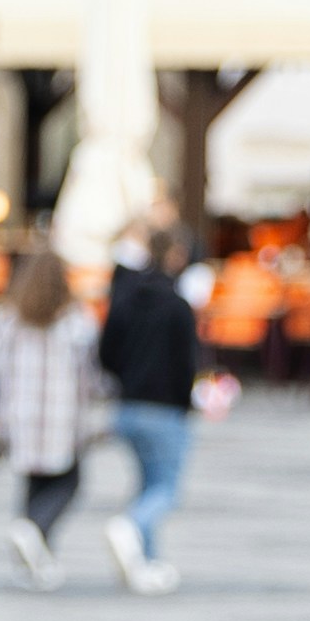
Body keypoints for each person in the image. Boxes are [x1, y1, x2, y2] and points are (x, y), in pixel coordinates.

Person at [0, 231, 98, 583]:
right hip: (60, 413)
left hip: (20, 412)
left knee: (34, 481)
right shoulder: (75, 321)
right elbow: (89, 372)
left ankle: (34, 556)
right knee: (69, 482)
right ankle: (33, 530)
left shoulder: (9, 319)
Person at [95, 222, 200, 596]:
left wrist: (126, 378)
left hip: (128, 406)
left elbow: (105, 352)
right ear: (175, 256)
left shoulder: (124, 298)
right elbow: (188, 363)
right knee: (166, 490)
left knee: (147, 484)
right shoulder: (178, 306)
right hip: (165, 408)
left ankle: (148, 562)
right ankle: (131, 526)